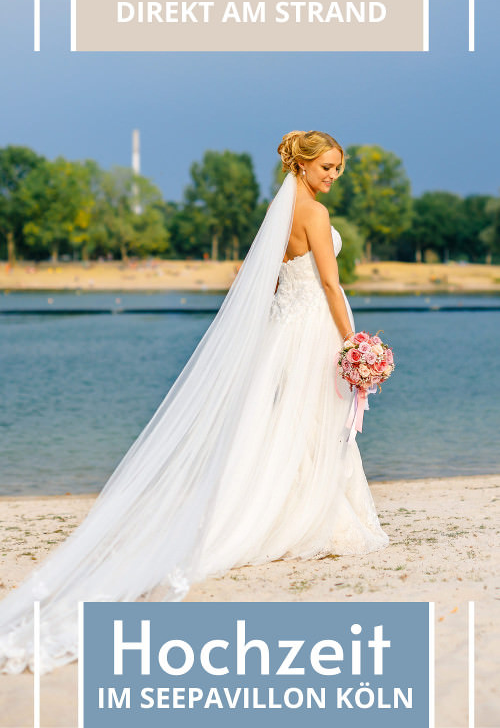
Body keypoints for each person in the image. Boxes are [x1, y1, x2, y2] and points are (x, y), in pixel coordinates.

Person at [0, 130, 388, 675]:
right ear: (302, 165)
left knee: (290, 423)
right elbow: (329, 283)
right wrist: (355, 342)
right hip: (315, 328)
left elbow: (271, 282)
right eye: (327, 167)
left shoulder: (281, 213)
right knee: (312, 423)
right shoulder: (316, 216)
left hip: (286, 330)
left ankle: (294, 501)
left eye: (338, 170)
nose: (332, 177)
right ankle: (302, 510)